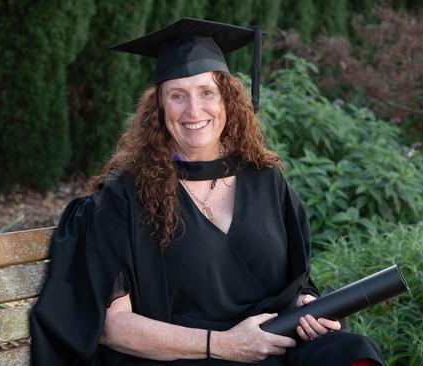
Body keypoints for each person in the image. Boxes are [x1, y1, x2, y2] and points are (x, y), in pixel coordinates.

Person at [30, 18, 385, 365]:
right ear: (158, 109)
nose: (193, 110)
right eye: (177, 96)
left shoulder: (265, 180)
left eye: (206, 92)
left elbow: (295, 284)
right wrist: (224, 345)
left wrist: (306, 308)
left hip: (273, 347)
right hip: (186, 356)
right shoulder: (123, 198)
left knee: (351, 351)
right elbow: (111, 326)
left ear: (228, 101)